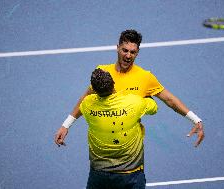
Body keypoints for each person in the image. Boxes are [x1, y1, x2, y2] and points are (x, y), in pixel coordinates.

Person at [55, 29, 204, 149]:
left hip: (131, 146)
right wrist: (66, 125)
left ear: (137, 52)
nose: (128, 55)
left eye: (133, 52)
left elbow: (170, 100)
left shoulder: (145, 77)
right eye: (125, 50)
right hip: (104, 144)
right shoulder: (103, 73)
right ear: (117, 48)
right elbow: (85, 99)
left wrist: (195, 120)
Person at [73, 68, 158, 188]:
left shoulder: (87, 105)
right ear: (113, 84)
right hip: (131, 173)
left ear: (95, 90)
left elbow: (83, 102)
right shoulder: (134, 103)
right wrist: (146, 97)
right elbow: (154, 108)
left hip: (99, 174)